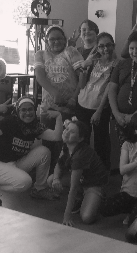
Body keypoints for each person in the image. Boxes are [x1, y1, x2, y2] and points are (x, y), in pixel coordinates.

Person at [0, 96, 63, 206]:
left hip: (13, 164)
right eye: (23, 110)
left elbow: (56, 137)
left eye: (30, 109)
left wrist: (59, 117)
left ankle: (39, 189)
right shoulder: (10, 122)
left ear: (34, 110)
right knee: (25, 182)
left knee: (44, 152)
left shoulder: (34, 126)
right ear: (17, 111)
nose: (27, 113)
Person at [34, 25, 84, 172]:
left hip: (69, 107)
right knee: (48, 144)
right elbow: (39, 76)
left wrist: (74, 98)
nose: (56, 42)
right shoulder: (40, 54)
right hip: (48, 108)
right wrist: (54, 93)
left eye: (59, 38)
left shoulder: (71, 52)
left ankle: (63, 178)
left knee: (67, 144)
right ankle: (47, 177)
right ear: (46, 40)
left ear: (65, 40)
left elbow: (82, 75)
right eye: (52, 39)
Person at [48, 120, 109, 226]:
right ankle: (80, 198)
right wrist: (56, 179)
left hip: (94, 184)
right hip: (82, 180)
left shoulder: (79, 156)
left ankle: (99, 198)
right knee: (51, 180)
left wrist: (67, 216)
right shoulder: (67, 145)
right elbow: (59, 163)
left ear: (80, 138)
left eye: (72, 132)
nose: (66, 133)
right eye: (67, 129)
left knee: (87, 217)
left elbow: (74, 187)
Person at [75, 32, 118, 170]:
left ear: (113, 46)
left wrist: (99, 111)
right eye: (101, 46)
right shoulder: (93, 61)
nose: (105, 49)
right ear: (98, 48)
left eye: (108, 45)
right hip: (82, 105)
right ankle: (83, 174)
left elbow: (109, 89)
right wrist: (84, 66)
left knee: (102, 143)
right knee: (82, 141)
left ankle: (102, 176)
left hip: (100, 108)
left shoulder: (117, 65)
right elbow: (81, 85)